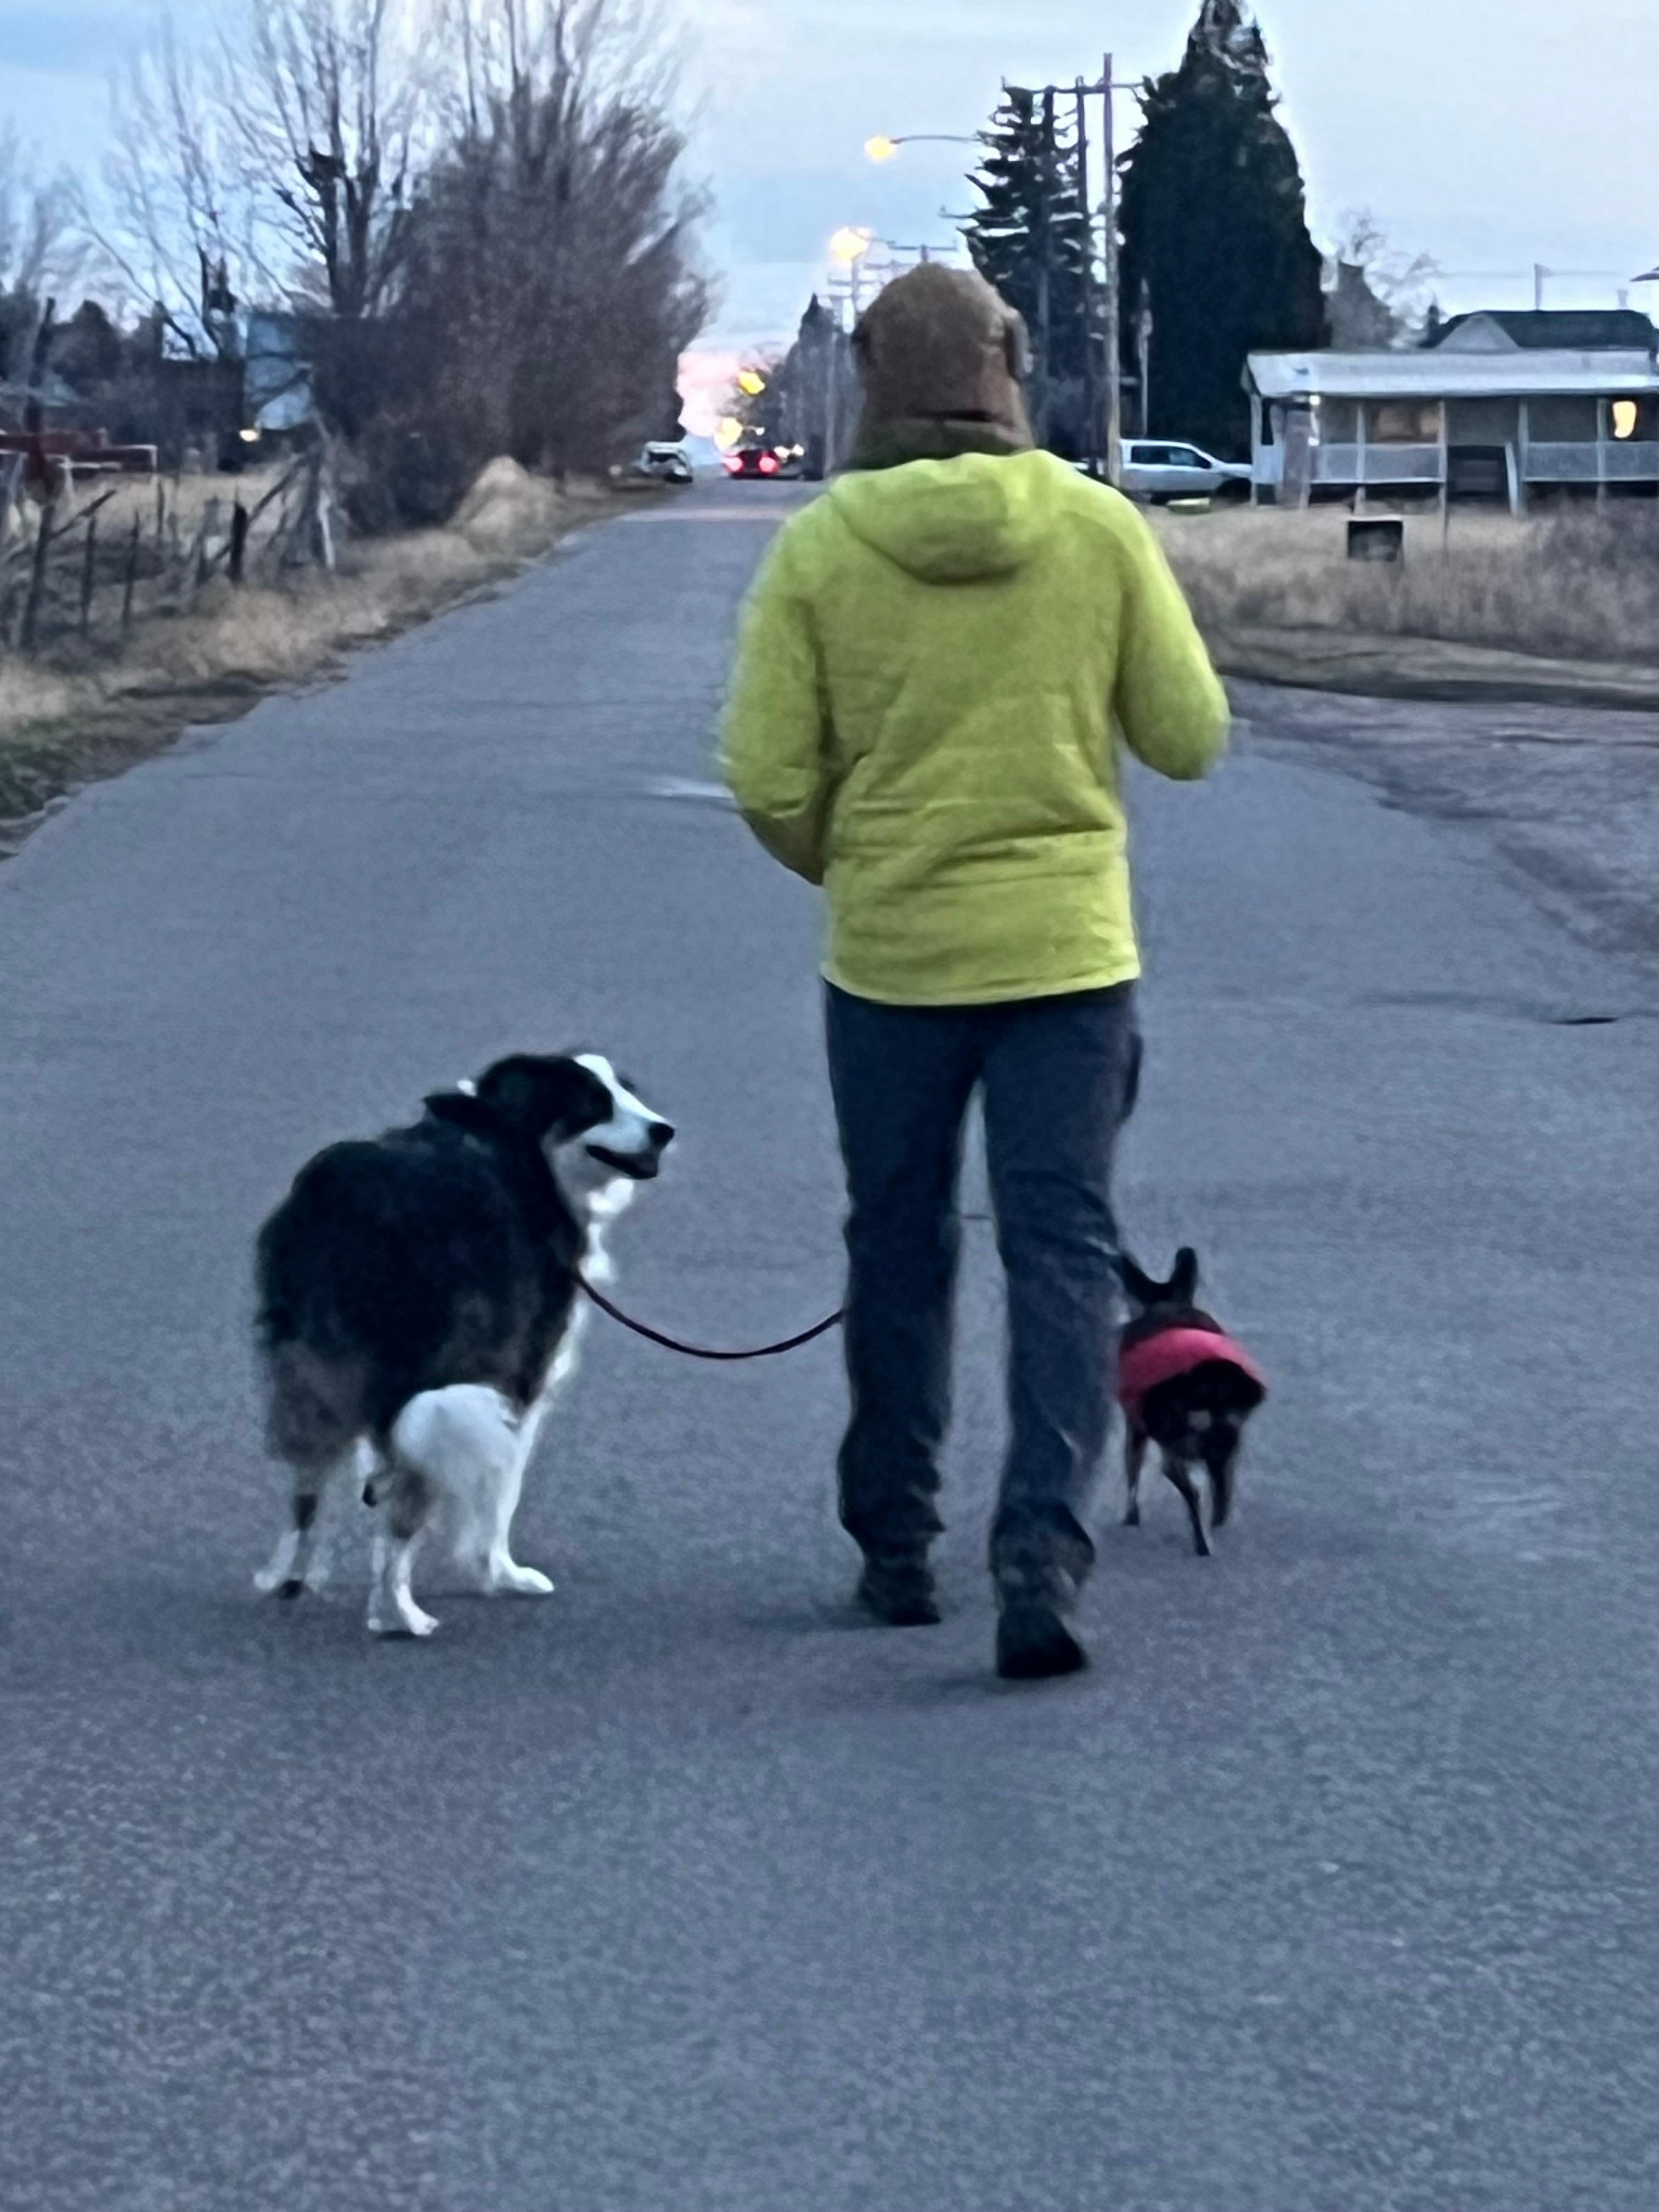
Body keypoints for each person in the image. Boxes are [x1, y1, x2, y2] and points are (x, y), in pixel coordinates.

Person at [720, 265, 1229, 1680]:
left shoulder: (820, 550)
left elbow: (763, 775)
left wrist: (866, 861)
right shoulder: (1097, 529)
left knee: (897, 1237)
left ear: (874, 380)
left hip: (890, 965)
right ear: (1011, 368)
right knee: (1060, 1247)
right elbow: (1188, 736)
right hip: (1070, 961)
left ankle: (895, 1543)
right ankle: (1041, 1552)